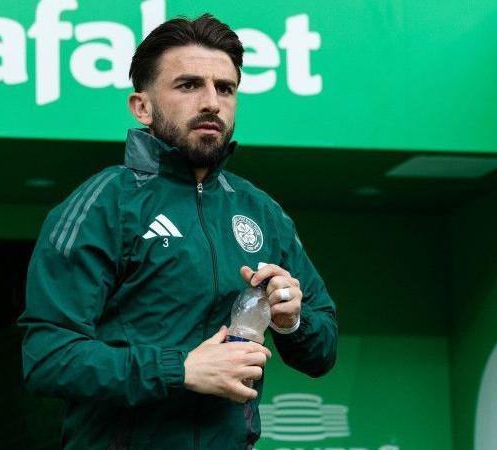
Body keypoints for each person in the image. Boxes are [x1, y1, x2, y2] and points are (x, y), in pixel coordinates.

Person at [18, 13, 337, 450]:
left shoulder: (261, 211)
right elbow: (49, 356)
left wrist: (292, 320)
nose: (211, 102)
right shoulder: (104, 203)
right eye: (188, 86)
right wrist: (180, 370)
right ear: (142, 107)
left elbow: (322, 353)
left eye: (225, 88)